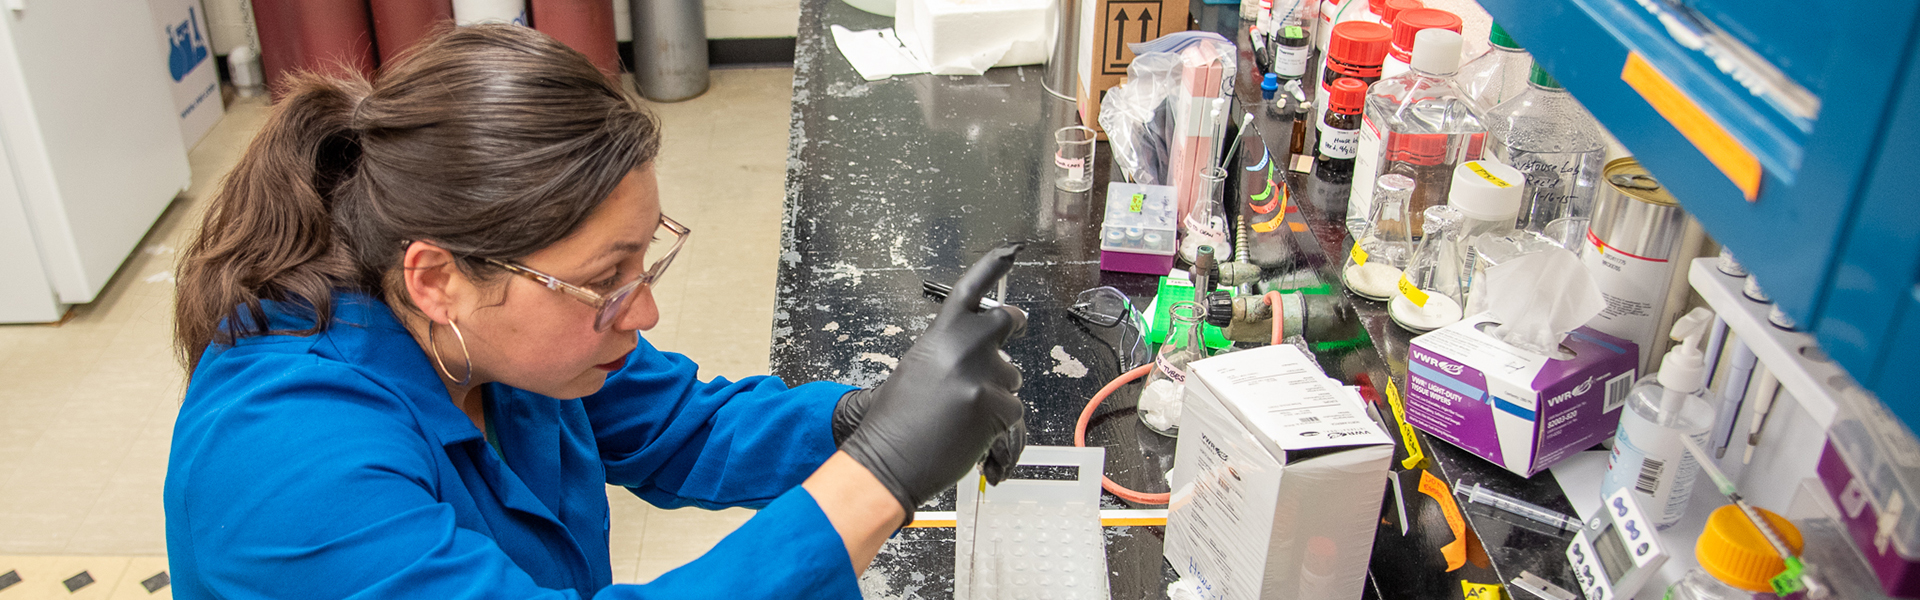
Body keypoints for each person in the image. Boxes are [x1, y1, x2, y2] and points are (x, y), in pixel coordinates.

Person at [165, 25, 1026, 599]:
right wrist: (878, 474)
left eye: (646, 255)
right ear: (436, 277)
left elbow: (676, 423)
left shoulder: (492, 337)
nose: (643, 310)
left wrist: (851, 420)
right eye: (606, 277)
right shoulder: (290, 468)